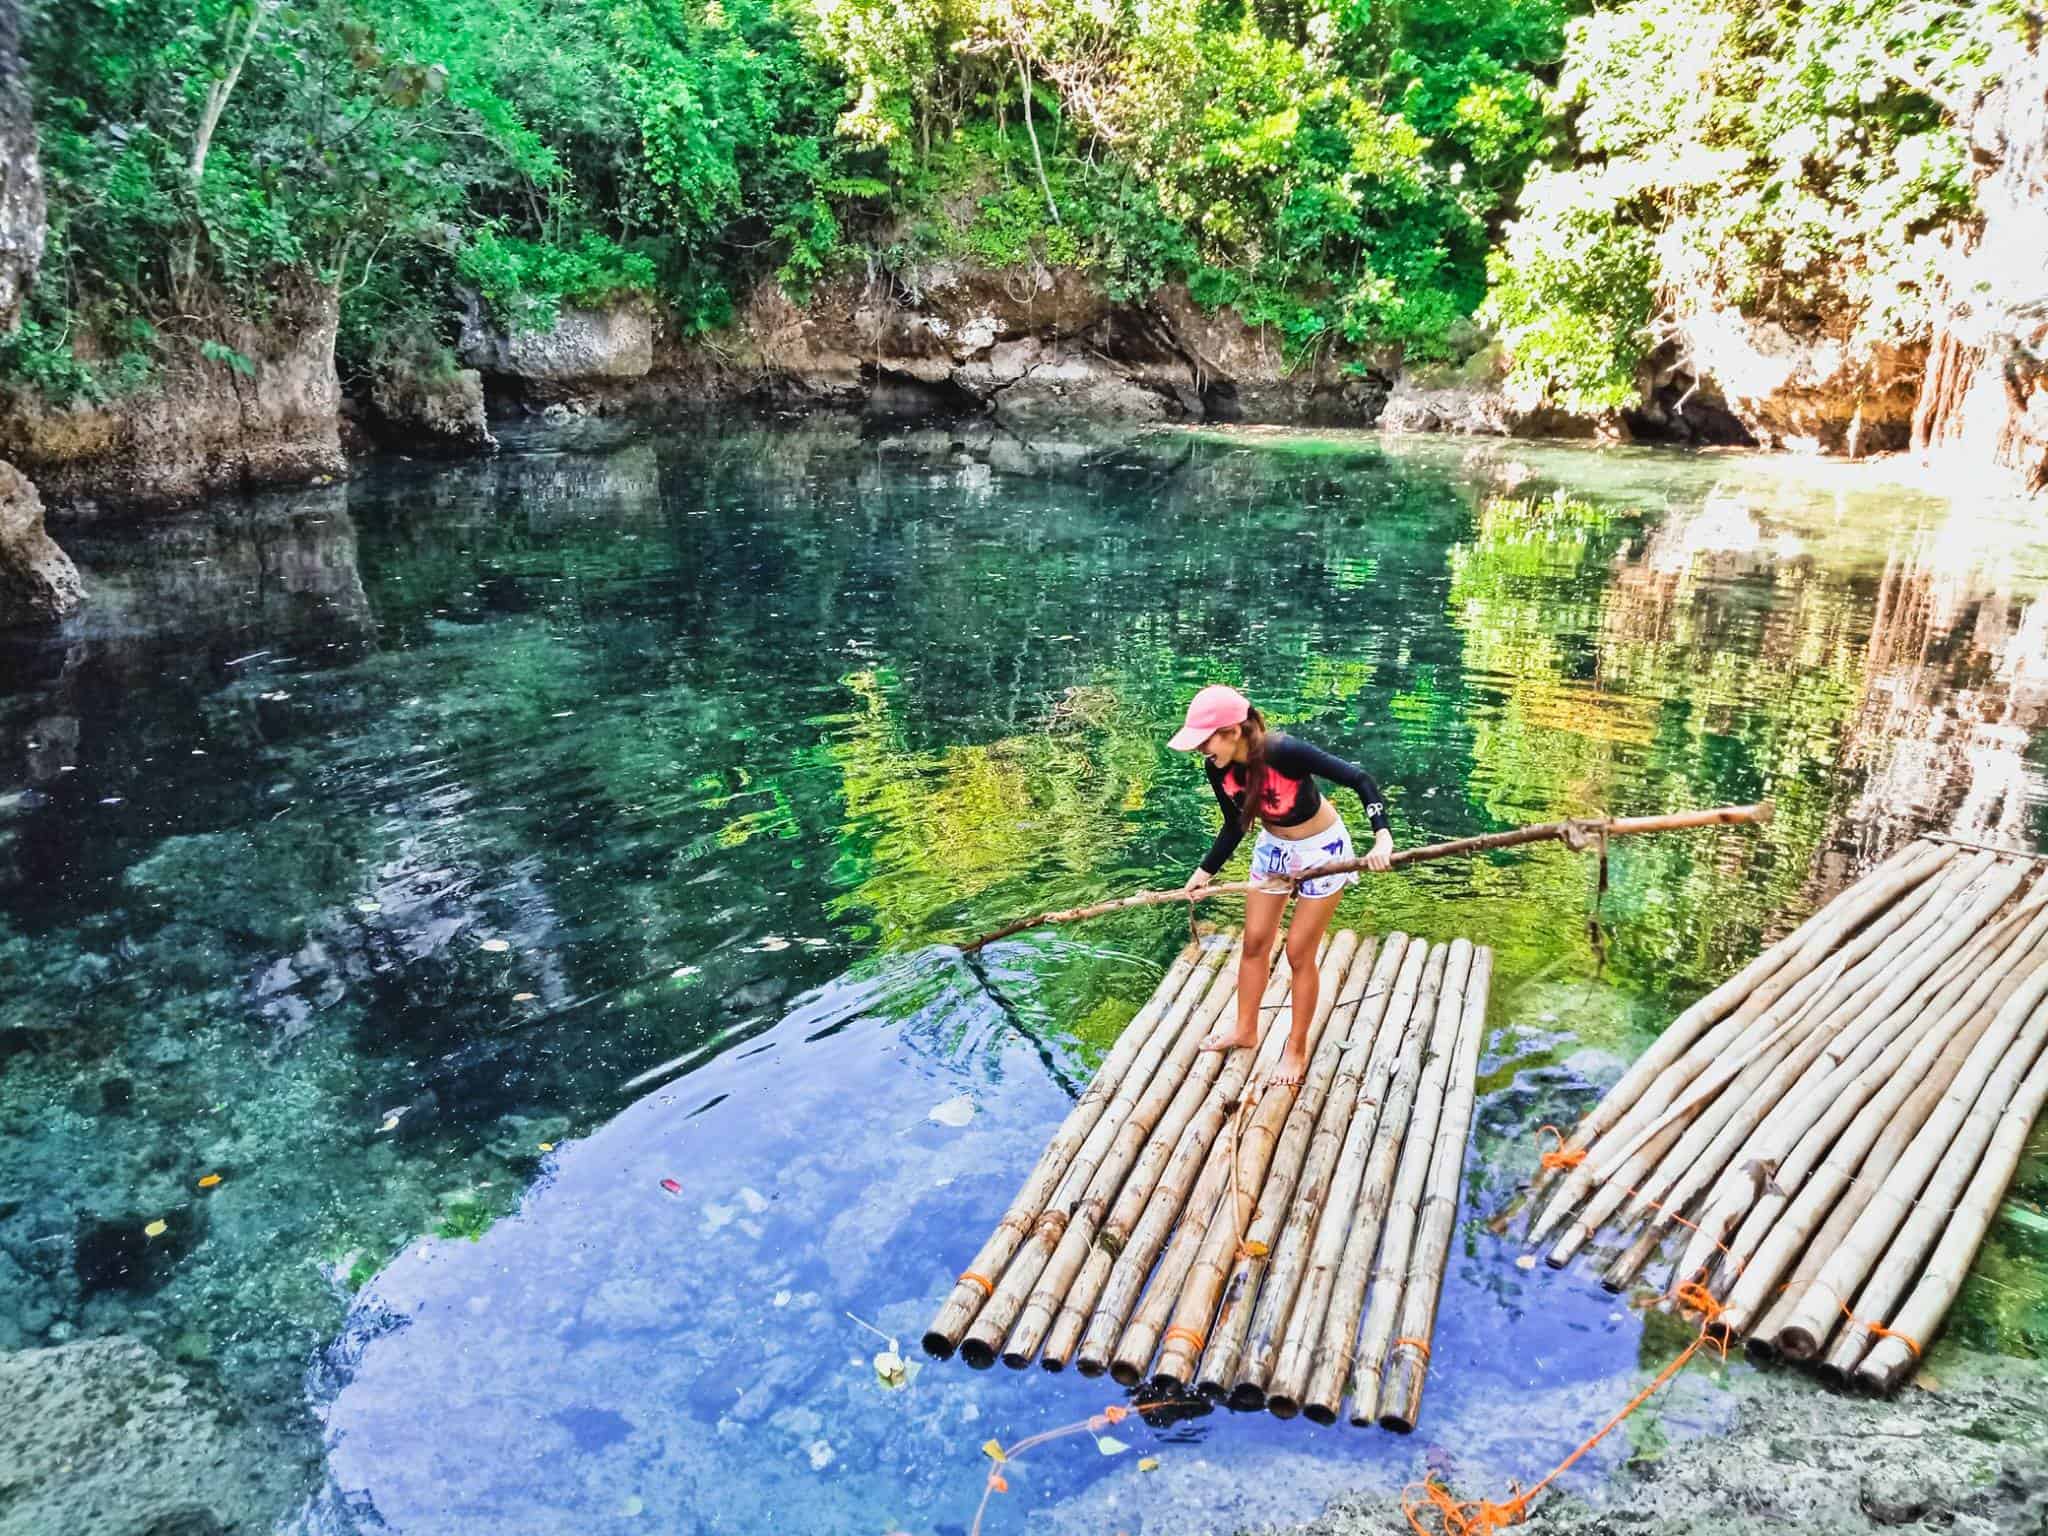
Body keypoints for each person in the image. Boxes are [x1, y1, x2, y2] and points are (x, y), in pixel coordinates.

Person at [1170, 685, 1393, 1088]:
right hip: (1273, 850)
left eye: (1206, 741)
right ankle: (1244, 1029)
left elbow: (1360, 779)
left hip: (1321, 851)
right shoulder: (1217, 768)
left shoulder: (1284, 751)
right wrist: (1205, 871)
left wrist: (1382, 838)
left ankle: (1296, 1046)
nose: (1201, 751)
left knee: (1297, 953)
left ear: (1233, 730)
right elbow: (1235, 823)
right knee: (1254, 943)